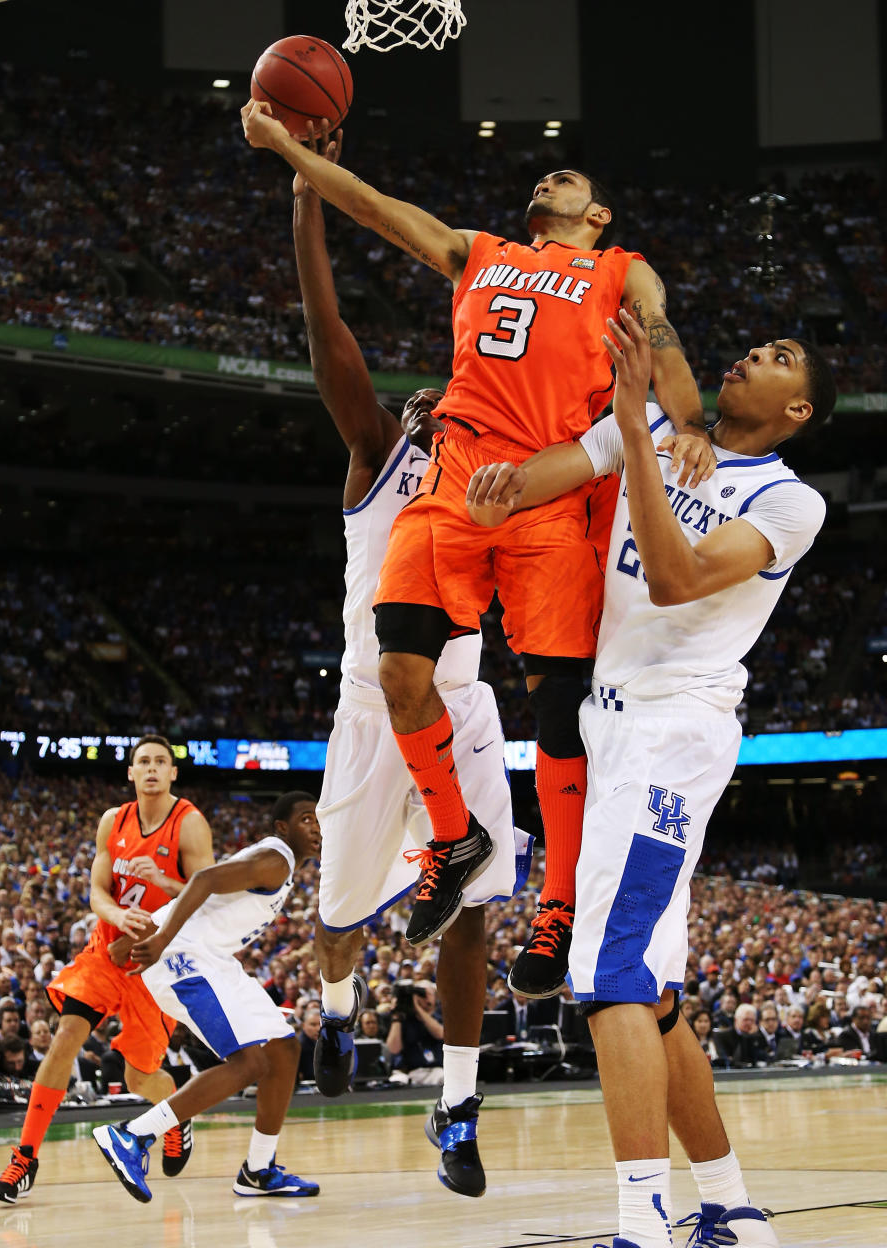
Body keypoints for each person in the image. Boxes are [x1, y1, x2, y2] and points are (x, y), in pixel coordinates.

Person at [242, 102, 714, 988]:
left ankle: (561, 906)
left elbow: (665, 342)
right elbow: (382, 210)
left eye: (566, 179)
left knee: (557, 711)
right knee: (400, 674)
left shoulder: (621, 268)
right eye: (544, 176)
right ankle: (454, 837)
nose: (548, 180)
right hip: (457, 474)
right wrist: (290, 155)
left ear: (599, 214)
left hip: (554, 488)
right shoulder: (481, 250)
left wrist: (689, 423)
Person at [468, 311, 835, 1248]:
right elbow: (564, 446)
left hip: (670, 731)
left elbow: (676, 579)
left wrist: (634, 427)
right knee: (654, 992)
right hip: (612, 722)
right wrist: (487, 475)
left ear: (798, 410)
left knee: (610, 972)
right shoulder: (676, 433)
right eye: (750, 344)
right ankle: (731, 1218)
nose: (748, 355)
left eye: (774, 359)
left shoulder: (786, 500)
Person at [291, 123, 531, 1197]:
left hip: (464, 704)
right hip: (368, 708)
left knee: (475, 898)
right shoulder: (378, 465)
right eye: (424, 402)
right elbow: (324, 322)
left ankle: (459, 1104)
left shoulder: (496, 486)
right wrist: (306, 181)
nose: (439, 406)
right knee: (339, 916)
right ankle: (338, 1013)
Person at [0, 735, 214, 1204]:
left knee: (138, 1079)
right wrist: (116, 920)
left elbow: (207, 897)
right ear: (130, 773)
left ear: (174, 773)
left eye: (160, 762)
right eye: (142, 762)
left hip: (157, 963)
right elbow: (96, 890)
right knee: (66, 1033)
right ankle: (25, 1158)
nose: (151, 768)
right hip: (106, 952)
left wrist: (163, 883)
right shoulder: (114, 820)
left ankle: (176, 1113)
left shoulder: (188, 824)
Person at [92, 792, 321, 1202]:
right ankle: (133, 1135)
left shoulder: (280, 866)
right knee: (250, 1062)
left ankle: (258, 1169)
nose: (317, 828)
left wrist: (138, 936)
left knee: (284, 1050)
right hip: (184, 958)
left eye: (319, 820)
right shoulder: (277, 859)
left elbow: (205, 899)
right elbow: (205, 880)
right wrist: (159, 938)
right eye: (306, 819)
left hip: (211, 958)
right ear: (283, 827)